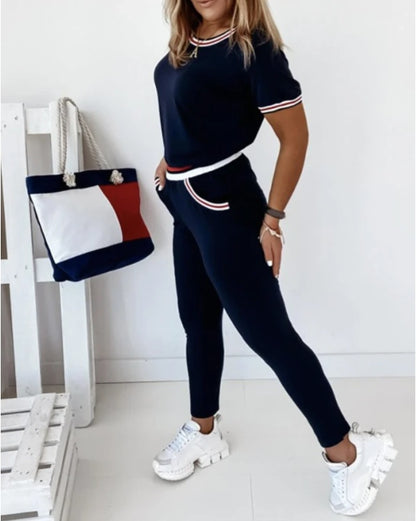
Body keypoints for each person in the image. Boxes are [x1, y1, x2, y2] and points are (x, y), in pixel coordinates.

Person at [151, 0, 398, 515]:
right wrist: (170, 161)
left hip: (225, 205)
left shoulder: (255, 50)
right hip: (184, 201)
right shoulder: (185, 45)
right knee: (198, 319)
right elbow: (189, 114)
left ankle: (349, 452)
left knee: (269, 335)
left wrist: (273, 219)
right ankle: (204, 431)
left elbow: (295, 136)